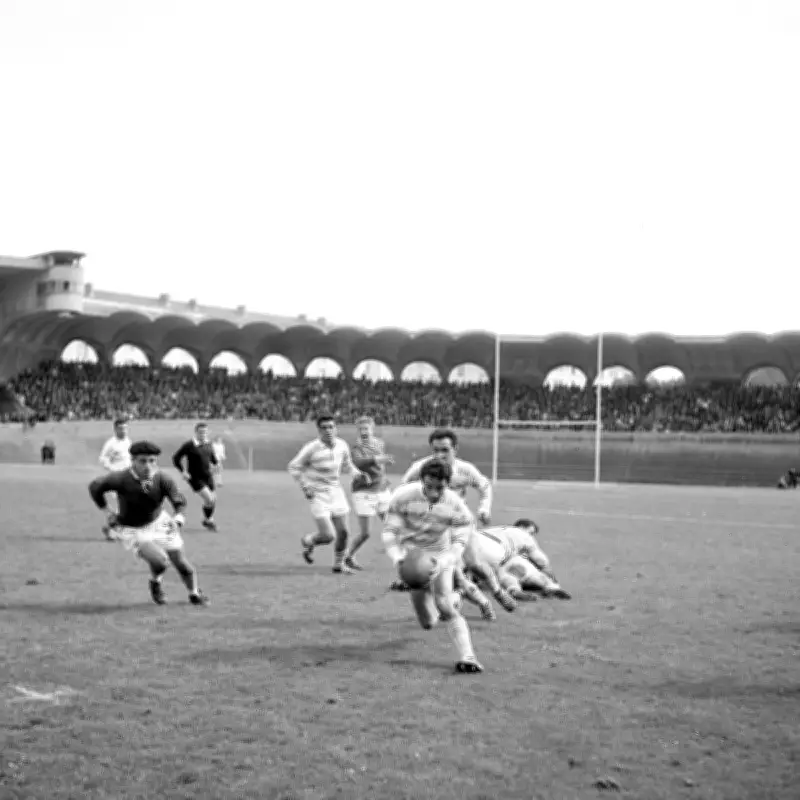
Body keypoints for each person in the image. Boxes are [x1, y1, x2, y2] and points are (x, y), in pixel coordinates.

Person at [395, 428, 517, 614]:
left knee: (476, 564)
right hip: (435, 532)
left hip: (461, 526)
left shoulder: (464, 470)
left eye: (445, 450)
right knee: (454, 574)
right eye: (435, 450)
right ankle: (479, 604)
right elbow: (403, 489)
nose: (439, 455)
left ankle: (497, 592)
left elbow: (484, 486)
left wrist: (484, 509)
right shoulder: (421, 468)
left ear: (455, 449)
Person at [382, 460, 484, 674]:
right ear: (422, 481)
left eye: (440, 487)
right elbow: (390, 531)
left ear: (449, 484)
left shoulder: (455, 503)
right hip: (412, 555)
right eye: (429, 486)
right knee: (428, 622)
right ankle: (458, 597)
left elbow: (461, 538)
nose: (434, 492)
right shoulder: (403, 497)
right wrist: (398, 559)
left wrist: (445, 562)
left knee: (444, 604)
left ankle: (468, 657)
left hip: (440, 553)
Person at [88, 440, 208, 606]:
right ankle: (155, 582)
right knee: (160, 562)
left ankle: (194, 594)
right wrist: (107, 512)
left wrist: (178, 519)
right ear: (133, 461)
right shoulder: (121, 478)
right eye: (142, 461)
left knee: (182, 564)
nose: (148, 465)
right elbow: (95, 487)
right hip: (132, 529)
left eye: (152, 460)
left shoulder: (162, 478)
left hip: (160, 522)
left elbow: (179, 501)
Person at [288, 414, 370, 574]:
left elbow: (348, 465)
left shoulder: (342, 445)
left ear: (336, 428)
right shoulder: (312, 448)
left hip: (336, 492)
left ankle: (339, 565)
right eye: (324, 428)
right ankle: (308, 540)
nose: (328, 430)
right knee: (328, 535)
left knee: (344, 532)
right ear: (318, 430)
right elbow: (293, 467)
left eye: (331, 427)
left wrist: (358, 474)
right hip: (317, 494)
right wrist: (305, 487)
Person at [468, 518, 571, 600]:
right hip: (495, 551)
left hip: (472, 542)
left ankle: (511, 588)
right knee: (515, 566)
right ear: (522, 527)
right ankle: (549, 586)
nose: (532, 535)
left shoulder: (498, 529)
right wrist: (552, 578)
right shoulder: (523, 535)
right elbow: (542, 562)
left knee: (501, 568)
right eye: (531, 532)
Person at [346, 415, 394, 571]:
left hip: (382, 491)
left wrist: (384, 478)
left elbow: (380, 466)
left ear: (372, 429)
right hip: (364, 492)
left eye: (366, 428)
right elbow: (358, 463)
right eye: (360, 429)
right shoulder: (356, 448)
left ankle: (404, 557)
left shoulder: (380, 443)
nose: (363, 432)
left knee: (393, 524)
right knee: (365, 533)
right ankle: (347, 556)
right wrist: (376, 459)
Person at [172, 422, 219, 531]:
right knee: (209, 499)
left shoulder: (209, 444)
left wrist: (216, 464)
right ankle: (209, 520)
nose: (203, 434)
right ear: (196, 432)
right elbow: (176, 458)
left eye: (205, 432)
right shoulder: (189, 445)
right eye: (201, 432)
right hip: (195, 478)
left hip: (208, 477)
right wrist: (183, 471)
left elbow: (212, 458)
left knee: (211, 501)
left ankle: (208, 520)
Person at [98, 418, 132, 540]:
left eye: (125, 428)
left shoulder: (128, 441)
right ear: (115, 429)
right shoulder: (111, 443)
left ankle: (111, 528)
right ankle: (114, 529)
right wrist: (112, 468)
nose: (124, 431)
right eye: (121, 428)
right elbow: (102, 459)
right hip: (117, 478)